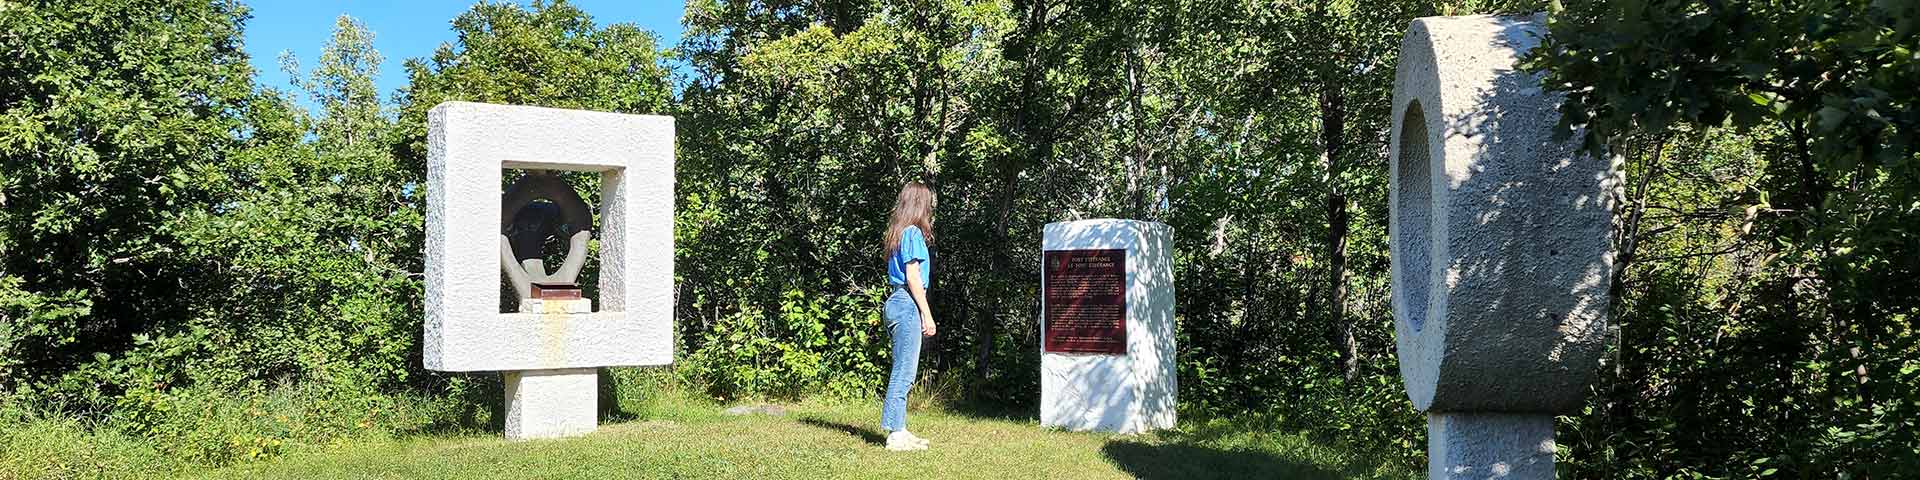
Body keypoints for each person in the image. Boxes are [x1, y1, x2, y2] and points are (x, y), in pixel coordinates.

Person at [880, 181, 937, 452]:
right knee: (904, 372)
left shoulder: (898, 232)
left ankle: (900, 428)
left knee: (903, 369)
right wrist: (927, 314)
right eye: (928, 203)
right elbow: (913, 277)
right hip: (907, 303)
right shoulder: (913, 233)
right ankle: (894, 435)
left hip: (896, 301)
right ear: (920, 205)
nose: (931, 209)